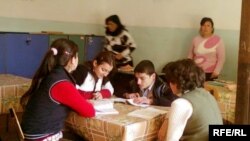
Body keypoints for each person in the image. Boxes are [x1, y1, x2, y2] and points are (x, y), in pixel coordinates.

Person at [20, 38, 95, 141]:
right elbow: (89, 111)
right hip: (42, 136)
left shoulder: (52, 74)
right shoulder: (61, 82)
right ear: (73, 60)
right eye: (77, 56)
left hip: (33, 132)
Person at [160, 58, 223, 141]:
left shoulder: (181, 103)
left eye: (170, 81)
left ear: (176, 82)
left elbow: (171, 139)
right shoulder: (207, 95)